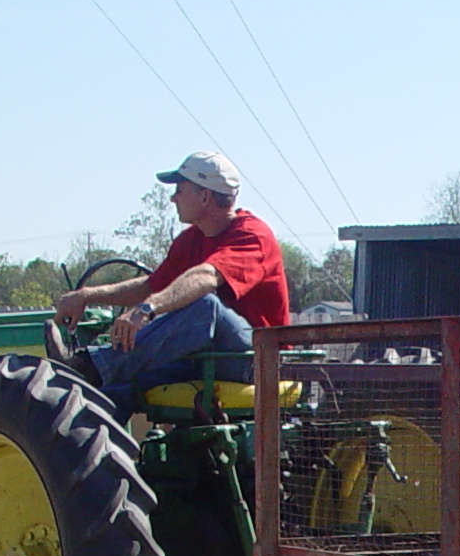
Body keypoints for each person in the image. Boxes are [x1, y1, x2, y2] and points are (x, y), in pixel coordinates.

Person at [51, 149, 290, 408]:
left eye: (179, 189)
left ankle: (87, 367)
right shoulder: (190, 240)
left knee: (205, 306)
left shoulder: (253, 235)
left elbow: (207, 276)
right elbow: (150, 287)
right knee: (119, 389)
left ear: (205, 196)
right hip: (204, 357)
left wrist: (146, 311)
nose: (173, 198)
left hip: (258, 362)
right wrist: (87, 296)